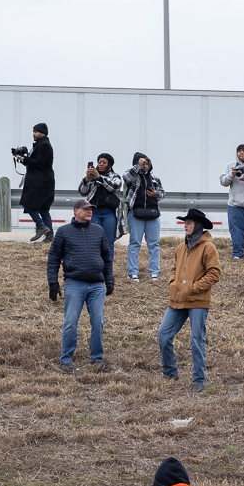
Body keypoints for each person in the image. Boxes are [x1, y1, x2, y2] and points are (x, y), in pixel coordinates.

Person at [158, 209, 221, 393]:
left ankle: (199, 380)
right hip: (177, 299)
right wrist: (173, 283)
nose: (185, 225)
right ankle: (170, 373)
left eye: (189, 223)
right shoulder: (180, 248)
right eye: (185, 222)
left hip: (198, 301)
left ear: (198, 226)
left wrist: (193, 288)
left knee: (196, 340)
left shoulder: (209, 248)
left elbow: (215, 273)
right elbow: (174, 269)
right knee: (163, 334)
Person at [47, 199, 114, 373]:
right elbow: (53, 258)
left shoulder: (98, 231)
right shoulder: (63, 232)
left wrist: (110, 279)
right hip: (74, 283)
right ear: (76, 211)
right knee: (70, 322)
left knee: (98, 322)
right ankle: (66, 359)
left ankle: (97, 359)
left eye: (91, 209)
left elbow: (107, 257)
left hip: (97, 285)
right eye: (85, 209)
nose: (89, 211)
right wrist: (53, 282)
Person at [123, 152, 165, 282]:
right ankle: (133, 272)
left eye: (147, 163)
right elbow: (126, 179)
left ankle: (154, 272)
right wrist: (138, 165)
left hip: (153, 214)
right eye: (142, 163)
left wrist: (156, 194)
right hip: (136, 213)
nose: (145, 166)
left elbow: (163, 194)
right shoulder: (131, 176)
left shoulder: (154, 178)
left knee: (154, 244)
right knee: (135, 243)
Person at [77, 153, 124, 262]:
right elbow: (82, 192)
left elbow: (115, 187)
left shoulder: (114, 176)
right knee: (93, 241)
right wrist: (87, 178)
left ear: (110, 165)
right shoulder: (92, 177)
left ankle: (107, 268)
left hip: (109, 213)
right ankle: (94, 265)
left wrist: (99, 177)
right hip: (94, 212)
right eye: (99, 162)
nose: (101, 164)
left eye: (104, 162)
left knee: (108, 242)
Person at [15, 123, 55, 242]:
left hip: (40, 182)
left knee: (26, 203)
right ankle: (49, 236)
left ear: (43, 133)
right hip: (44, 181)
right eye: (33, 131)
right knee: (43, 210)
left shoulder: (44, 145)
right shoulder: (41, 144)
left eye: (36, 132)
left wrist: (23, 158)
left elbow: (38, 163)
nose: (33, 134)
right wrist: (21, 158)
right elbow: (33, 162)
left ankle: (41, 226)